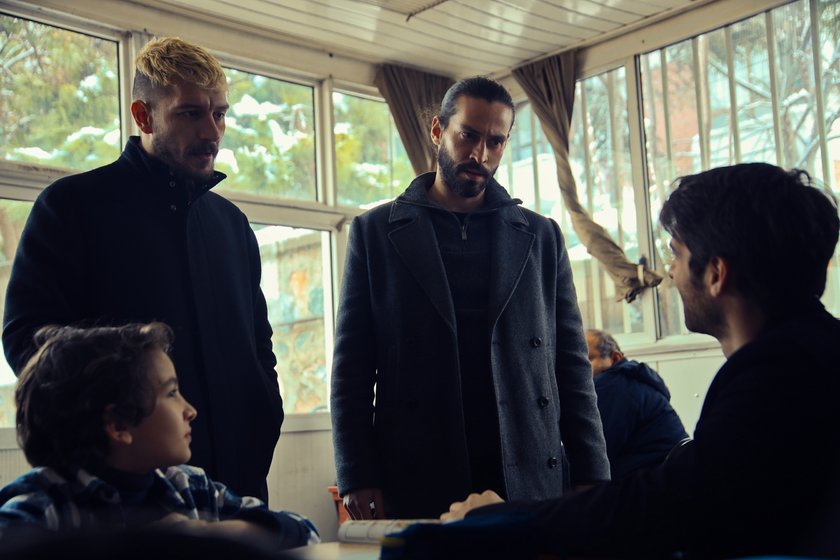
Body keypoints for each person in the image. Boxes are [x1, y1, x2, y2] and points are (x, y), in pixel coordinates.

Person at [442, 162, 840, 558]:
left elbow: (667, 506)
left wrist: (502, 519)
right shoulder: (810, 351)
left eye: (676, 255)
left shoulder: (780, 375)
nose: (670, 273)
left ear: (716, 274)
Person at [2, 37, 282, 501]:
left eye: (219, 114)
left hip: (237, 488)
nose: (211, 132)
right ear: (144, 115)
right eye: (190, 113)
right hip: (119, 496)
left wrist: (264, 416)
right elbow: (28, 342)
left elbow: (259, 345)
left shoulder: (232, 224)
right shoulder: (71, 208)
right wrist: (111, 437)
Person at [330, 76, 609, 520]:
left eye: (496, 142)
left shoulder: (542, 237)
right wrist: (357, 472)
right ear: (438, 130)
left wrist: (593, 471)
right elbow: (352, 367)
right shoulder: (375, 233)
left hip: (526, 462)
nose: (481, 154)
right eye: (469, 136)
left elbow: (572, 366)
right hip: (420, 461)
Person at [0, 323, 319, 552]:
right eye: (172, 393)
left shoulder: (190, 487)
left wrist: (209, 533)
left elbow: (305, 532)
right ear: (119, 424)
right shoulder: (43, 503)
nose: (190, 410)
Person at [585, 328, 688, 479]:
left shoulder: (614, 385)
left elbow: (594, 453)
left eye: (588, 359)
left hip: (656, 482)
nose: (580, 369)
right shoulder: (635, 381)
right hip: (671, 474)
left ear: (615, 358)